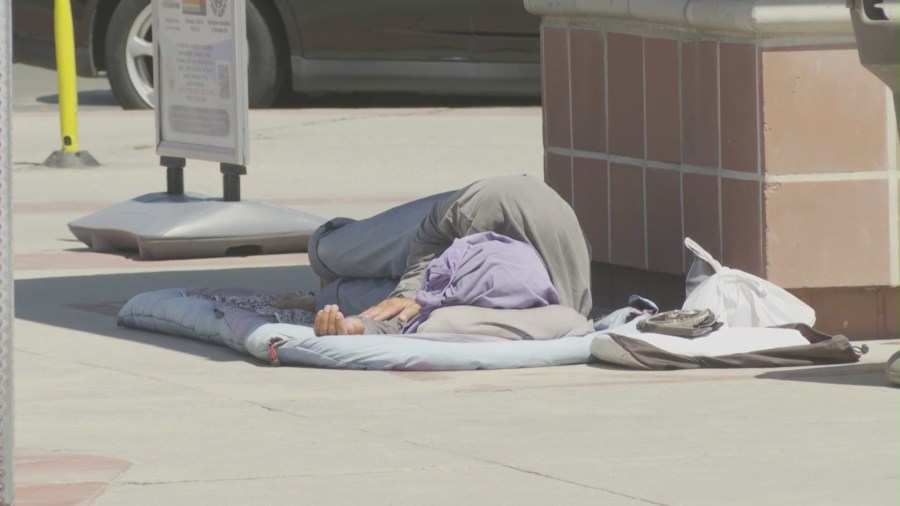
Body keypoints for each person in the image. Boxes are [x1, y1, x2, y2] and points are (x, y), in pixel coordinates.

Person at [307, 174, 593, 336]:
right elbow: (433, 232)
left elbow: (412, 323)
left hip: (480, 273)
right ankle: (322, 246)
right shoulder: (493, 207)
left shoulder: (549, 310)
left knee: (346, 301)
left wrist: (352, 328)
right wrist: (410, 292)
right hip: (439, 230)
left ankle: (327, 296)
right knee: (330, 252)